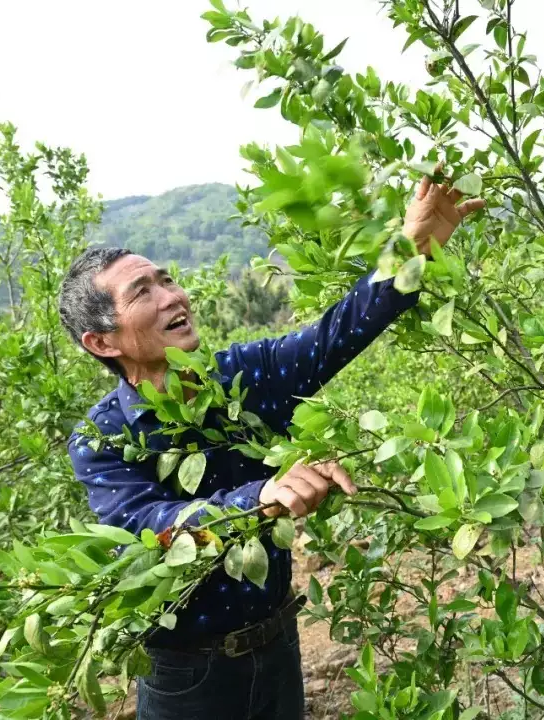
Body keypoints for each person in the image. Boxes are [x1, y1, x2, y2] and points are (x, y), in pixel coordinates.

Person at [58, 172, 484, 720]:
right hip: (189, 678)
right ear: (102, 340)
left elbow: (336, 334)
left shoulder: (246, 375)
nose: (172, 296)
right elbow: (148, 529)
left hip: (277, 648)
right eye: (144, 291)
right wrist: (261, 496)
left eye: (167, 280)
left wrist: (412, 248)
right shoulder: (103, 438)